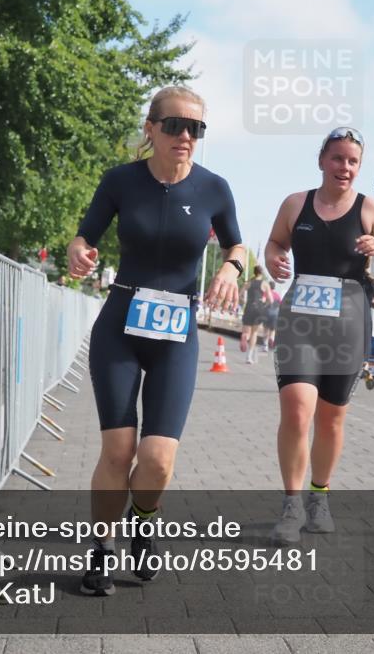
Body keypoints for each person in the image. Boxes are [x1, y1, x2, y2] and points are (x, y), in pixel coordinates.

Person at [67, 86, 245, 595]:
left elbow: (237, 242)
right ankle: (101, 549)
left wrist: (232, 268)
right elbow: (86, 235)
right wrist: (80, 251)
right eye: (174, 126)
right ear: (151, 129)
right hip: (120, 325)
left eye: (196, 128)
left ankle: (144, 524)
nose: (186, 136)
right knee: (119, 451)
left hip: (176, 333)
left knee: (158, 458)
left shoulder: (214, 188)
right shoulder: (121, 180)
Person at [264, 126, 374, 544]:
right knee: (296, 408)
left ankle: (318, 497)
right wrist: (274, 260)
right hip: (300, 320)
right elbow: (274, 243)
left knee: (331, 418)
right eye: (338, 158)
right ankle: (290, 505)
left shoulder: (370, 210)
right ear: (322, 160)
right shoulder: (295, 203)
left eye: (352, 161)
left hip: (347, 320)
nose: (345, 167)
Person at [241, 265, 271, 363]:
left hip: (249, 307)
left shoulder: (248, 282)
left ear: (254, 272)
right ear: (261, 273)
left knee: (246, 331)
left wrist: (243, 302)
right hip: (259, 309)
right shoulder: (265, 284)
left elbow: (239, 294)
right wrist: (264, 303)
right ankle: (249, 357)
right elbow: (271, 300)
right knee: (254, 333)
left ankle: (245, 337)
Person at [263, 282, 282, 351]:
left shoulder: (266, 293)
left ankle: (265, 346)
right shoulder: (277, 295)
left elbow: (263, 301)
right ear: (274, 287)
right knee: (272, 330)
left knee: (266, 329)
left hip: (267, 313)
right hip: (275, 314)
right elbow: (280, 304)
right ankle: (272, 339)